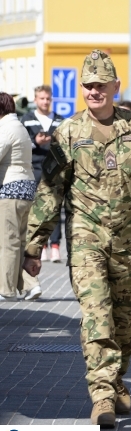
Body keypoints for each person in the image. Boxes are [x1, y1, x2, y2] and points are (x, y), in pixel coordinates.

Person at [22, 50, 131, 428]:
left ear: (115, 86)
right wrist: (34, 246)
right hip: (86, 239)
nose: (94, 91)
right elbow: (50, 191)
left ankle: (116, 378)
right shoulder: (69, 133)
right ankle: (102, 396)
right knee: (98, 317)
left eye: (101, 85)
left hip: (129, 243)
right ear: (82, 89)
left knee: (126, 320)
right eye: (88, 85)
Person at [0, 93, 39, 302]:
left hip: (10, 189)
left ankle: (6, 290)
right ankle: (31, 285)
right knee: (19, 242)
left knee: (8, 243)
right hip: (27, 188)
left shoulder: (5, 128)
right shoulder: (20, 126)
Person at [20, 85, 65, 264]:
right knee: (35, 209)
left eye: (48, 99)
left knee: (54, 208)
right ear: (35, 99)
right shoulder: (27, 119)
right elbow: (21, 144)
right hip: (34, 168)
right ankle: (40, 246)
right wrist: (35, 142)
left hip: (54, 169)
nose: (45, 102)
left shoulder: (60, 120)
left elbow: (66, 145)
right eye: (41, 98)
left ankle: (55, 246)